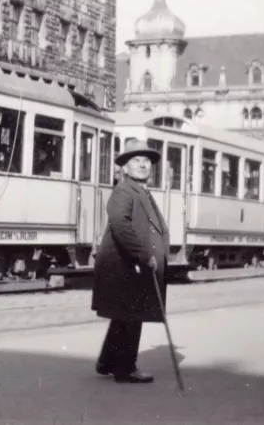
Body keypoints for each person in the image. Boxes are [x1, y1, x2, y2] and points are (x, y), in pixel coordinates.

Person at [91, 139, 169, 383]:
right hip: (126, 263)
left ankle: (108, 362)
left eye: (146, 161)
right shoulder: (125, 191)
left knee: (125, 314)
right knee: (132, 315)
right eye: (136, 160)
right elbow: (120, 225)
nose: (143, 164)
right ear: (124, 168)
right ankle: (126, 369)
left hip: (130, 262)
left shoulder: (139, 191)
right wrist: (143, 255)